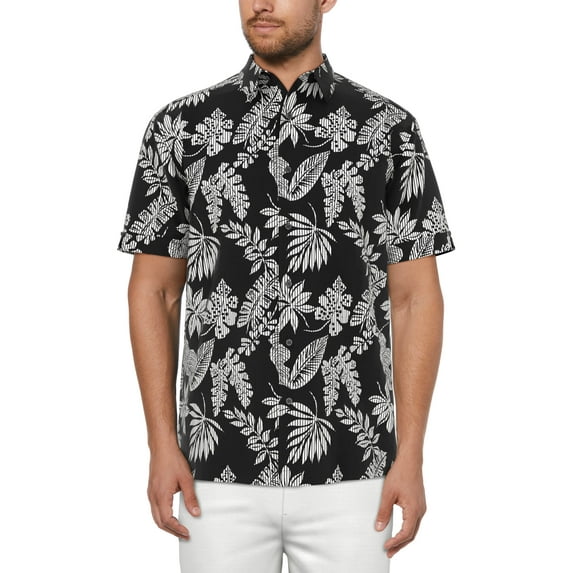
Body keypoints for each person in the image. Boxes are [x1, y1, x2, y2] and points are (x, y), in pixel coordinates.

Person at [116, 1, 455, 571]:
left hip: (355, 468)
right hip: (213, 469)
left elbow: (414, 298)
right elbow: (155, 292)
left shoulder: (388, 130)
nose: (261, 3)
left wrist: (411, 457)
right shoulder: (181, 128)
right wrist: (161, 445)